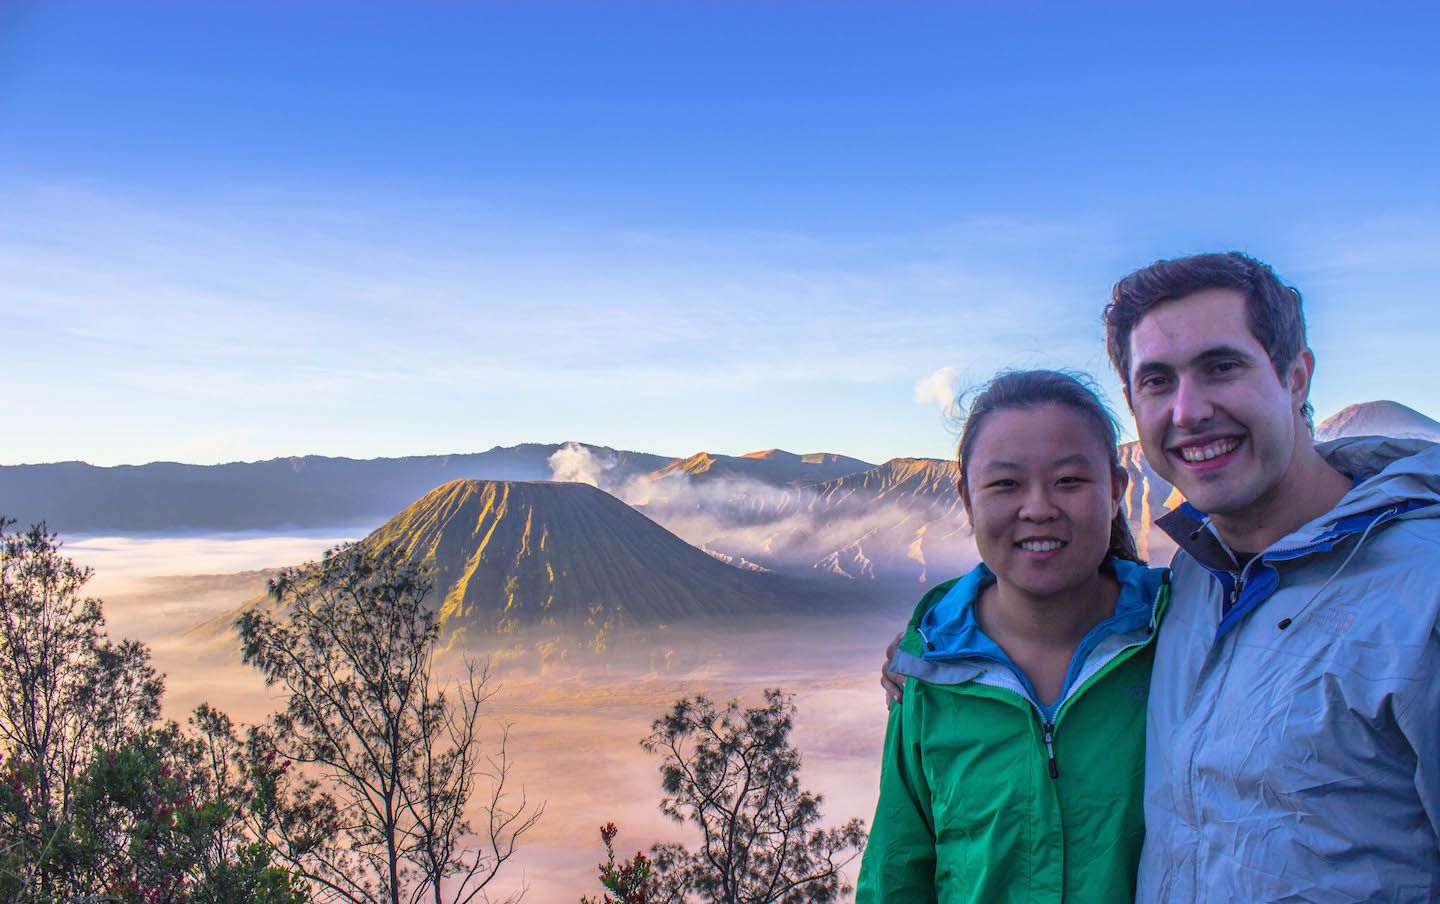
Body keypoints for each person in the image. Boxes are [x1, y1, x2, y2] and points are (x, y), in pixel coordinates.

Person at [884, 252, 1440, 901]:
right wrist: (936, 647)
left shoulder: (1420, 592)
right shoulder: (1186, 590)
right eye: (1157, 381)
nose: (1188, 409)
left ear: (1296, 377)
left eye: (1221, 367)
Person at [857, 370, 1170, 902]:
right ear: (967, 498)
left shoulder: (1180, 630)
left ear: (1117, 489)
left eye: (1069, 480)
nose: (1039, 507)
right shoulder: (932, 671)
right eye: (1005, 483)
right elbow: (898, 870)